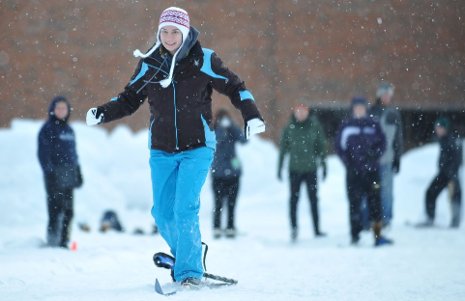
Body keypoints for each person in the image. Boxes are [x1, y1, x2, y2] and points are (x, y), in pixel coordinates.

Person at [85, 7, 265, 287]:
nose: (169, 37)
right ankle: (188, 253)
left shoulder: (204, 60)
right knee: (162, 213)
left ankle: (189, 271)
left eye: (175, 32)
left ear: (185, 33)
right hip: (161, 149)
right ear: (159, 33)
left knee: (184, 208)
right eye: (165, 31)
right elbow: (129, 99)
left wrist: (252, 114)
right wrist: (103, 112)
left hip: (198, 147)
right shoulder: (149, 63)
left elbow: (235, 87)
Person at [335, 97, 393, 246]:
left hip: (372, 171)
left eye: (362, 107)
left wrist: (374, 155)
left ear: (366, 109)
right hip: (353, 173)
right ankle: (355, 235)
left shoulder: (373, 125)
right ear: (353, 109)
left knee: (375, 202)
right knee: (354, 203)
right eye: (357, 107)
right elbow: (339, 147)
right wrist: (349, 162)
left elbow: (383, 143)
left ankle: (377, 235)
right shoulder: (347, 126)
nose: (359, 110)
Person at [278, 103, 328, 242]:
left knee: (314, 200)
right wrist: (279, 167)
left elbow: (321, 147)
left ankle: (317, 229)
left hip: (311, 170)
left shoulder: (314, 127)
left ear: (307, 112)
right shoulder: (289, 128)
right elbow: (283, 149)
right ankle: (294, 229)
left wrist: (324, 166)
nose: (300, 114)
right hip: (294, 170)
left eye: (303, 111)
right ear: (294, 112)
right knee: (294, 200)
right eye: (298, 111)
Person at [38, 96, 83, 248]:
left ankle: (64, 241)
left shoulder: (69, 130)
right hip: (54, 174)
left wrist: (78, 171)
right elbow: (43, 153)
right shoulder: (47, 129)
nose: (61, 111)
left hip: (68, 173)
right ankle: (53, 241)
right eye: (58, 108)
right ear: (52, 110)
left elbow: (73, 153)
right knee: (55, 209)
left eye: (64, 108)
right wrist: (49, 171)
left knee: (68, 210)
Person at [370, 82, 403, 227]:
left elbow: (398, 138)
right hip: (373, 162)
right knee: (373, 190)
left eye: (389, 95)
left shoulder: (394, 114)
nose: (387, 97)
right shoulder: (371, 112)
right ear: (379, 95)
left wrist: (397, 158)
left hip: (388, 161)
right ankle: (372, 219)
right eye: (384, 94)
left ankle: (387, 219)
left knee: (387, 192)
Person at [418, 117, 462, 228]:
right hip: (444, 173)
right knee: (430, 193)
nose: (437, 130)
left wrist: (452, 175)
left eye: (439, 128)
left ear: (445, 128)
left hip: (450, 174)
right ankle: (430, 218)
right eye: (436, 128)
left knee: (455, 196)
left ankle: (455, 222)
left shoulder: (451, 139)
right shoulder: (444, 139)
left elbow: (457, 159)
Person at [210, 109, 247, 239]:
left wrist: (232, 126)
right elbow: (217, 140)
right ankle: (217, 227)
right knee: (218, 203)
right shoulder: (213, 130)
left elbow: (243, 140)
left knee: (232, 203)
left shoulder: (232, 130)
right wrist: (220, 128)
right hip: (218, 173)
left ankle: (230, 227)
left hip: (233, 173)